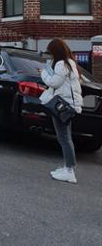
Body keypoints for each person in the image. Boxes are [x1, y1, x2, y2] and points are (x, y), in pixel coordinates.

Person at [40, 39, 83, 184]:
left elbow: (53, 83)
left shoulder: (61, 64)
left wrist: (43, 73)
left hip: (63, 106)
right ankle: (67, 168)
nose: (49, 55)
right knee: (64, 137)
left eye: (50, 52)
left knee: (64, 138)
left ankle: (70, 171)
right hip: (68, 104)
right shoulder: (69, 62)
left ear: (55, 51)